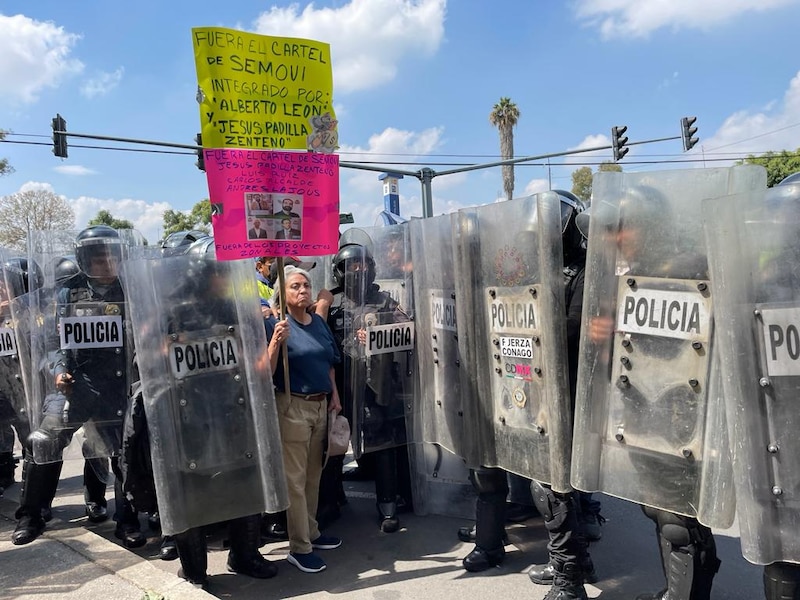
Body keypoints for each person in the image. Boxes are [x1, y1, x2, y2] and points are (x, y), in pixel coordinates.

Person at [13, 226, 145, 548]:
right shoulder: (68, 293)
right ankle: (31, 514)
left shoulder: (131, 291)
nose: (106, 264)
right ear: (84, 259)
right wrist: (59, 370)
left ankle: (126, 520)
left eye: (111, 257)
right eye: (98, 258)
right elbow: (53, 341)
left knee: (124, 452)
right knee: (43, 441)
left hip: (117, 385)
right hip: (74, 385)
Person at [327, 242, 412, 533]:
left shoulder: (385, 300)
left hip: (375, 383)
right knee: (335, 442)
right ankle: (332, 498)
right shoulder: (331, 303)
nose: (358, 270)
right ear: (339, 271)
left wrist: (379, 334)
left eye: (363, 265)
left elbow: (407, 331)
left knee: (383, 441)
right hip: (339, 384)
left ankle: (387, 502)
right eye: (351, 266)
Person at [265, 265, 343, 573]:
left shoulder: (317, 323)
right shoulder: (276, 324)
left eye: (306, 285)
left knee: (314, 474)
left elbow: (329, 361)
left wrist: (334, 394)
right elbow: (266, 371)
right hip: (293, 406)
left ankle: (311, 531)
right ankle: (299, 547)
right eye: (295, 286)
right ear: (282, 294)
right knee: (294, 481)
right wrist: (274, 342)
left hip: (320, 405)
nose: (303, 291)